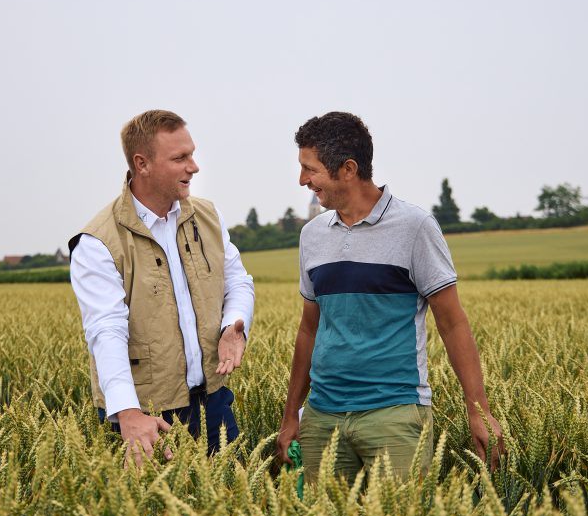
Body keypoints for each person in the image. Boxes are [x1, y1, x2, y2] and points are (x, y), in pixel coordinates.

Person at [276, 111, 504, 484]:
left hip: (395, 415)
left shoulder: (414, 227)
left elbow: (452, 322)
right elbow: (309, 329)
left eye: (310, 169)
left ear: (348, 169)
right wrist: (292, 416)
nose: (302, 180)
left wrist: (478, 410)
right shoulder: (312, 235)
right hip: (322, 417)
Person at [69, 109, 254, 466]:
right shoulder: (98, 242)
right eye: (180, 158)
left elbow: (237, 280)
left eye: (192, 154)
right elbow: (105, 331)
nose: (194, 166)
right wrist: (128, 414)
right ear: (142, 164)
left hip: (213, 403)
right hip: (149, 418)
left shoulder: (207, 216)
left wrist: (232, 325)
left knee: (233, 510)